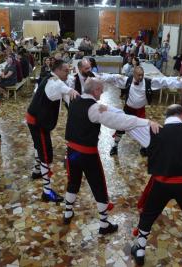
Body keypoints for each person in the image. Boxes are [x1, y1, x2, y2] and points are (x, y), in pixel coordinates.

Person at [63, 78, 161, 235]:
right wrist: (146, 122)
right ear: (95, 90)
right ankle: (103, 224)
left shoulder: (74, 99)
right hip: (87, 154)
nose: (101, 92)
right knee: (98, 186)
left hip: (71, 152)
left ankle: (67, 213)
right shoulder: (94, 108)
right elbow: (120, 122)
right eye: (100, 90)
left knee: (73, 181)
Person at [129, 104, 182, 266]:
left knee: (148, 214)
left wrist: (146, 122)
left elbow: (127, 125)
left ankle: (141, 250)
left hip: (161, 184)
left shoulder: (154, 131)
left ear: (166, 116)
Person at [25, 60, 80, 202]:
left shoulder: (50, 77)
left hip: (35, 118)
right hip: (38, 122)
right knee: (46, 154)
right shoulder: (54, 82)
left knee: (39, 146)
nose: (68, 74)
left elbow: (63, 93)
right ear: (58, 70)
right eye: (66, 71)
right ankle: (47, 192)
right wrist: (71, 91)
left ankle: (37, 171)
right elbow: (61, 87)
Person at [108, 66, 165, 156]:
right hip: (128, 109)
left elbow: (165, 81)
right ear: (134, 74)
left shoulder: (147, 83)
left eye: (142, 75)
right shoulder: (127, 81)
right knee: (120, 128)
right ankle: (115, 146)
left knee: (143, 129)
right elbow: (113, 78)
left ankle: (143, 147)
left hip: (140, 111)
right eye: (139, 75)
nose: (141, 77)